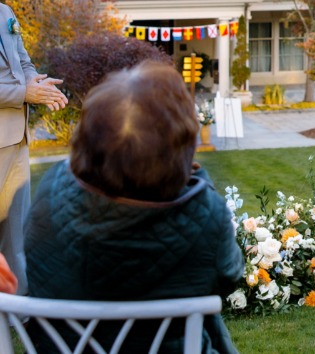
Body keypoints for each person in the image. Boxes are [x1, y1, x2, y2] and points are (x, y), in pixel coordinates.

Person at [24, 61, 243, 354]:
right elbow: (230, 276)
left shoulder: (51, 188)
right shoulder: (207, 214)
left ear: (86, 139)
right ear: (179, 149)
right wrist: (198, 182)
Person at [0, 0, 67, 293]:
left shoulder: (6, 14)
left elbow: (23, 61)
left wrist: (35, 85)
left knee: (18, 232)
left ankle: (22, 311)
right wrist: (24, 92)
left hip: (18, 140)